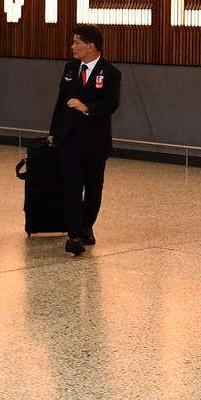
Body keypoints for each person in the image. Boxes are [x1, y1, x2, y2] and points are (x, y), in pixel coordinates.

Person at [47, 25, 120, 257]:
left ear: (90, 46)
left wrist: (86, 107)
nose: (72, 47)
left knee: (93, 187)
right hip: (69, 139)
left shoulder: (110, 73)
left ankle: (86, 225)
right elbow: (61, 102)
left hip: (95, 141)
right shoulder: (70, 68)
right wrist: (53, 132)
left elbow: (111, 104)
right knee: (71, 186)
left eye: (77, 42)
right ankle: (74, 234)